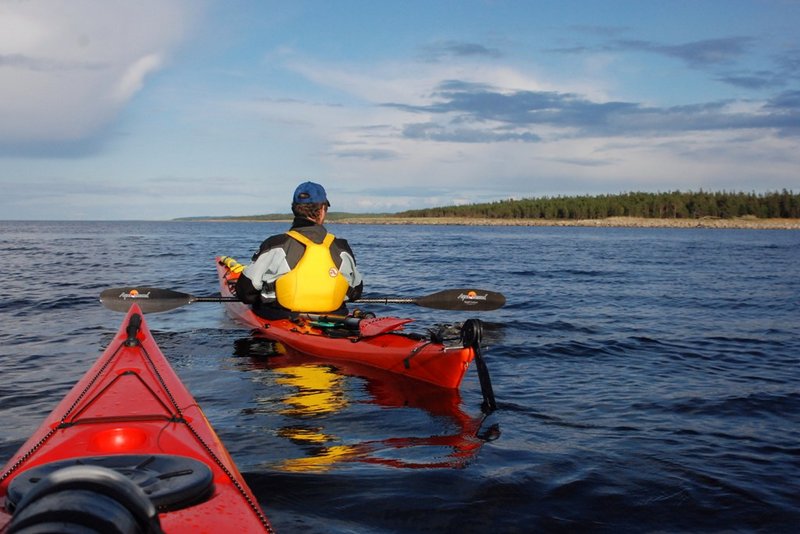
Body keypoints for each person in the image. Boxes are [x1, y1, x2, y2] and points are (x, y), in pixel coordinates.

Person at [235, 181, 363, 319]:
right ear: (322, 210)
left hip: (281, 316)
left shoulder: (275, 244)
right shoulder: (342, 247)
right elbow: (356, 292)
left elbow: (245, 292)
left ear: (294, 209)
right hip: (334, 317)